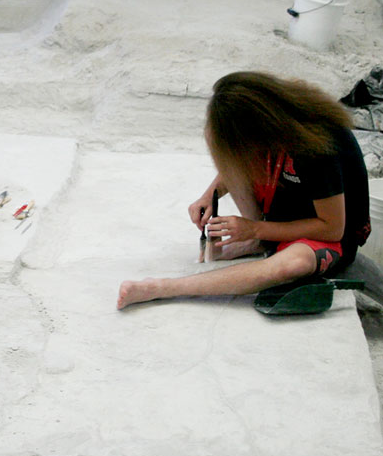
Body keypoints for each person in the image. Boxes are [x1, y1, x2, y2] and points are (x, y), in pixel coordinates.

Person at [117, 71, 370, 309]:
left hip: (329, 235)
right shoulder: (276, 127)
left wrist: (255, 228)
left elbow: (332, 228)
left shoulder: (316, 147)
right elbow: (236, 159)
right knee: (219, 141)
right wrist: (209, 195)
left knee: (294, 264)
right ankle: (261, 242)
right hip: (286, 210)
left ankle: (165, 288)